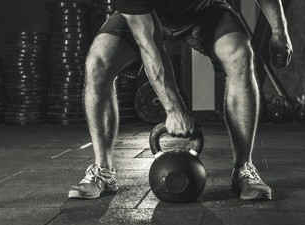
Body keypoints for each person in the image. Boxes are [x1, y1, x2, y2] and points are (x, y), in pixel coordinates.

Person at [68, 0, 293, 201]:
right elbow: (149, 45)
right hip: (148, 15)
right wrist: (174, 110)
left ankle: (243, 168)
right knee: (98, 62)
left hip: (204, 9)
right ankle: (103, 171)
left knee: (241, 55)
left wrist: (279, 30)